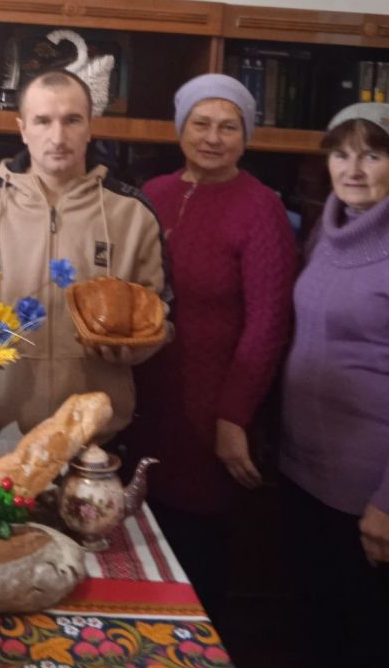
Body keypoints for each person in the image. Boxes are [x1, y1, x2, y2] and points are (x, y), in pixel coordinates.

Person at [127, 73, 296, 615]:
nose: (213, 137)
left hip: (209, 416)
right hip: (143, 401)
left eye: (229, 126)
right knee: (137, 551)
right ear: (181, 127)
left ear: (246, 136)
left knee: (195, 563)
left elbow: (269, 324)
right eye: (201, 123)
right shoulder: (151, 195)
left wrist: (233, 418)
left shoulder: (261, 207)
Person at [0, 68, 169, 436]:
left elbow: (160, 316)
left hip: (96, 434)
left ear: (90, 127)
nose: (58, 136)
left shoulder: (132, 212)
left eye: (72, 120)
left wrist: (136, 347)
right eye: (43, 121)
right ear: (22, 128)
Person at [279, 102, 389, 668]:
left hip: (368, 491)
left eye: (372, 153)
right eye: (342, 153)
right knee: (316, 631)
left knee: (364, 643)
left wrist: (386, 505)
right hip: (306, 475)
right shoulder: (329, 227)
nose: (354, 168)